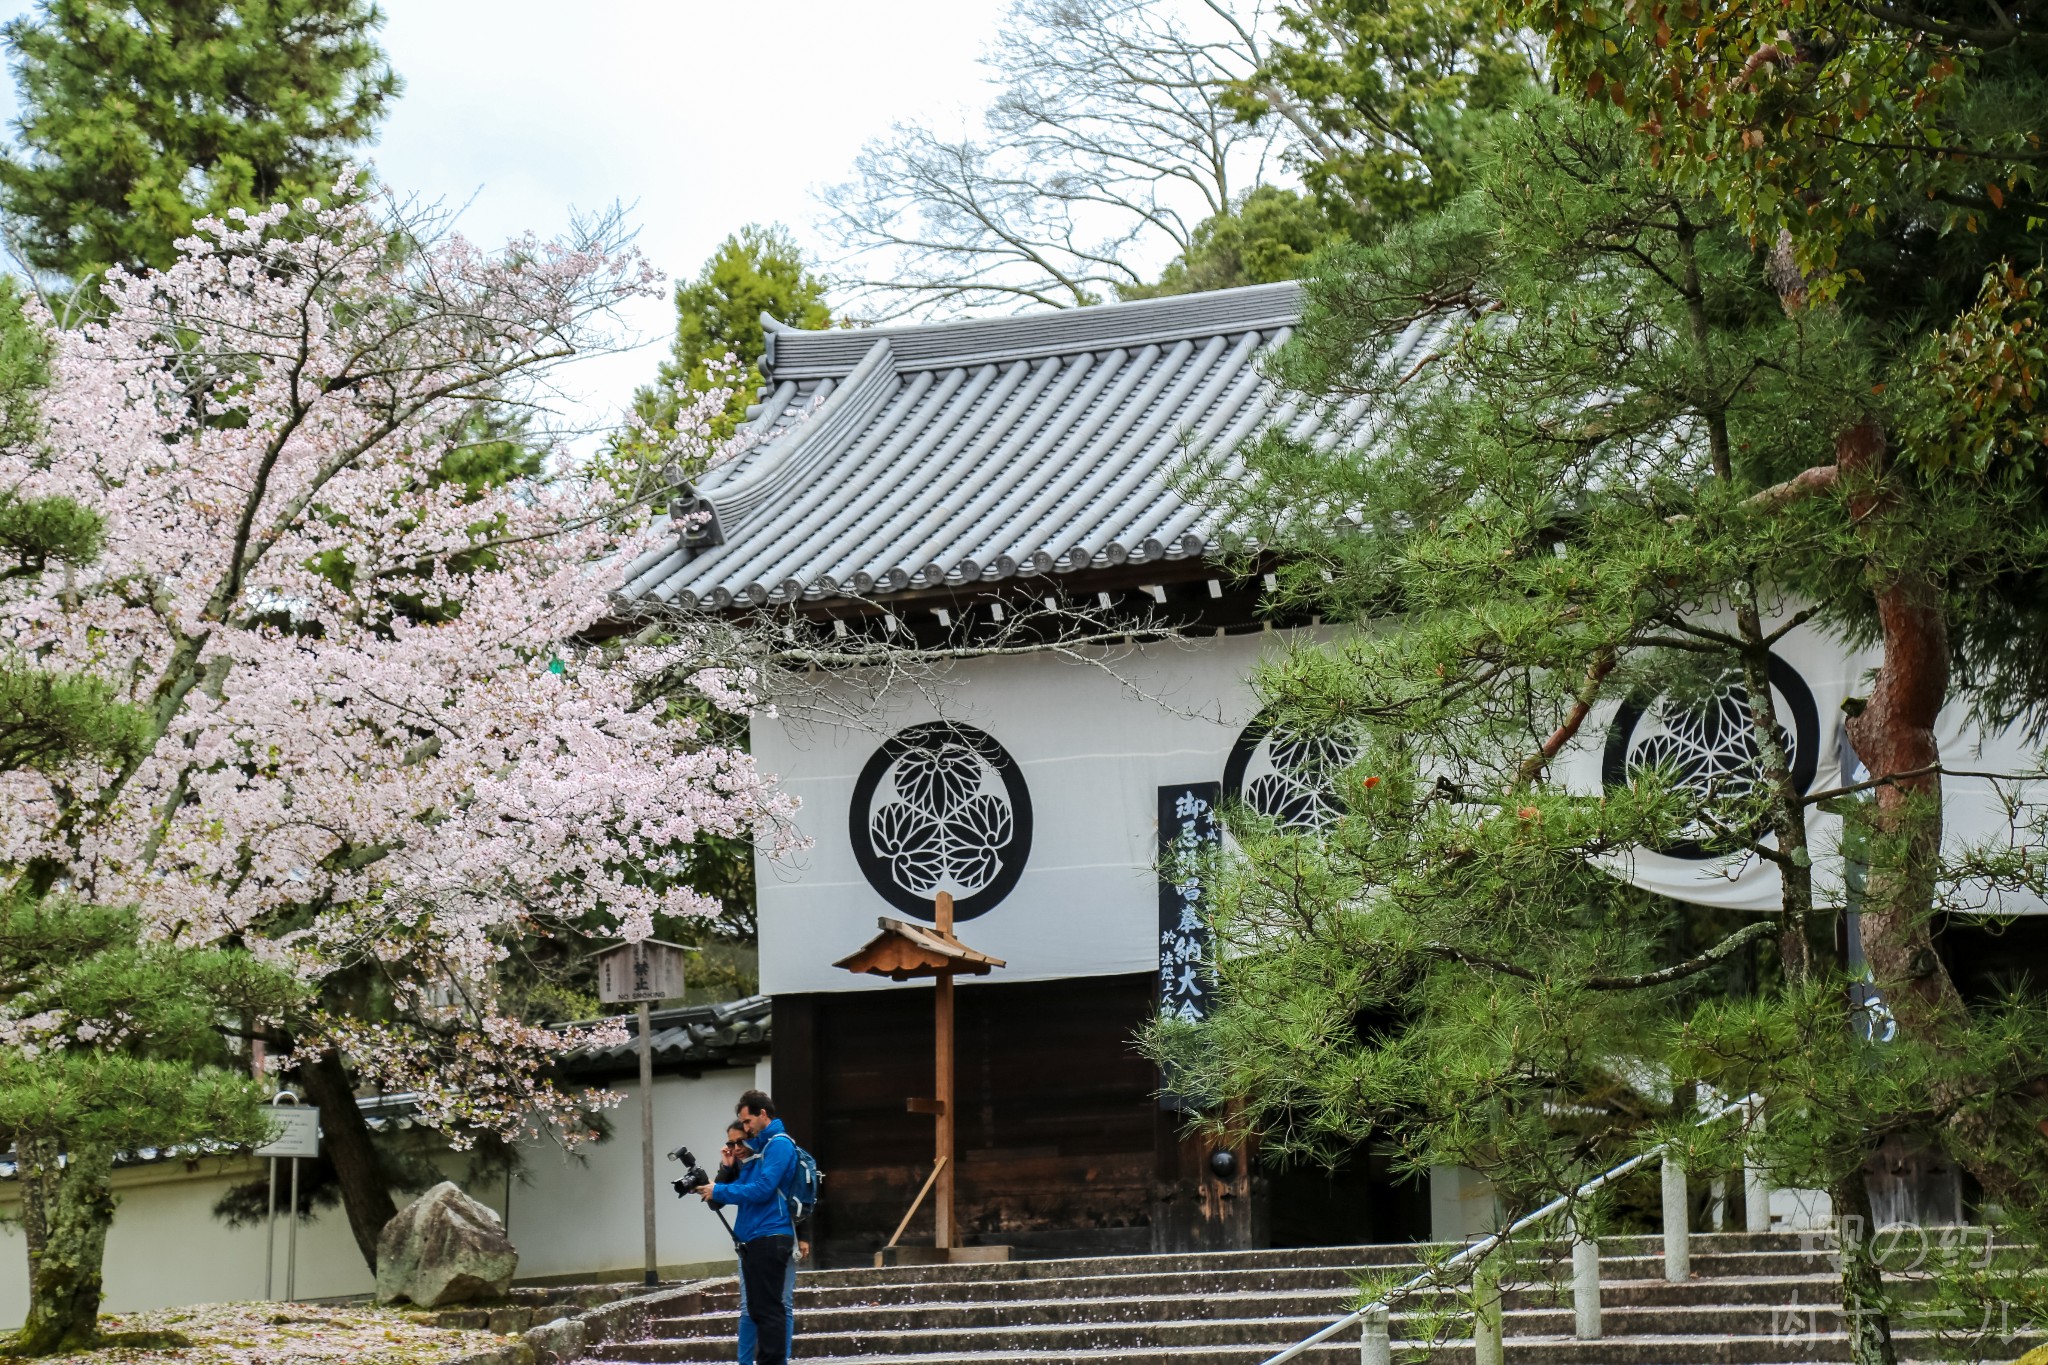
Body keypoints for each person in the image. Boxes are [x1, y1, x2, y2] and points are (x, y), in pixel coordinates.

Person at [696, 1089, 798, 1365]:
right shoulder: (761, 1147)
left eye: (748, 1121)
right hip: (753, 1238)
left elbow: (764, 1189)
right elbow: (742, 1187)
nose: (745, 1127)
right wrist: (723, 1176)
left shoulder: (778, 1145)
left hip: (770, 1234)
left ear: (762, 1114)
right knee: (758, 1309)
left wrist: (720, 1191)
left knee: (771, 1308)